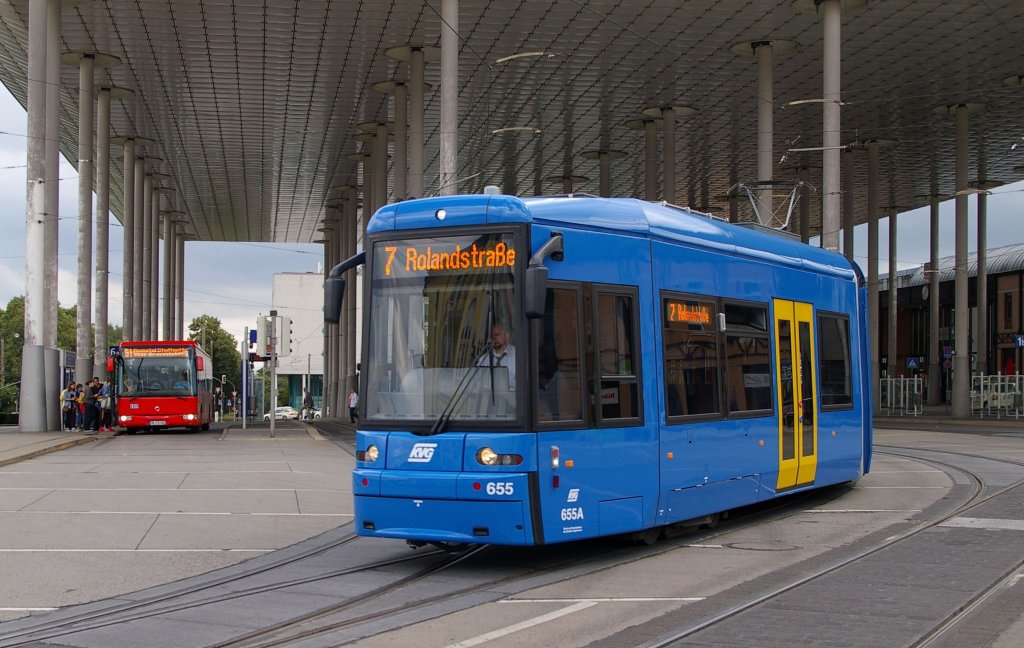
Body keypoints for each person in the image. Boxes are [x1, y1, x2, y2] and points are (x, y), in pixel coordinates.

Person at [476, 323, 516, 391]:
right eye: (492, 336)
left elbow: (524, 386)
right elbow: (477, 385)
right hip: (490, 399)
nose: (494, 338)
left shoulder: (517, 356)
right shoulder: (484, 359)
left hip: (513, 399)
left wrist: (507, 391)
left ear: (507, 336)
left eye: (497, 334)